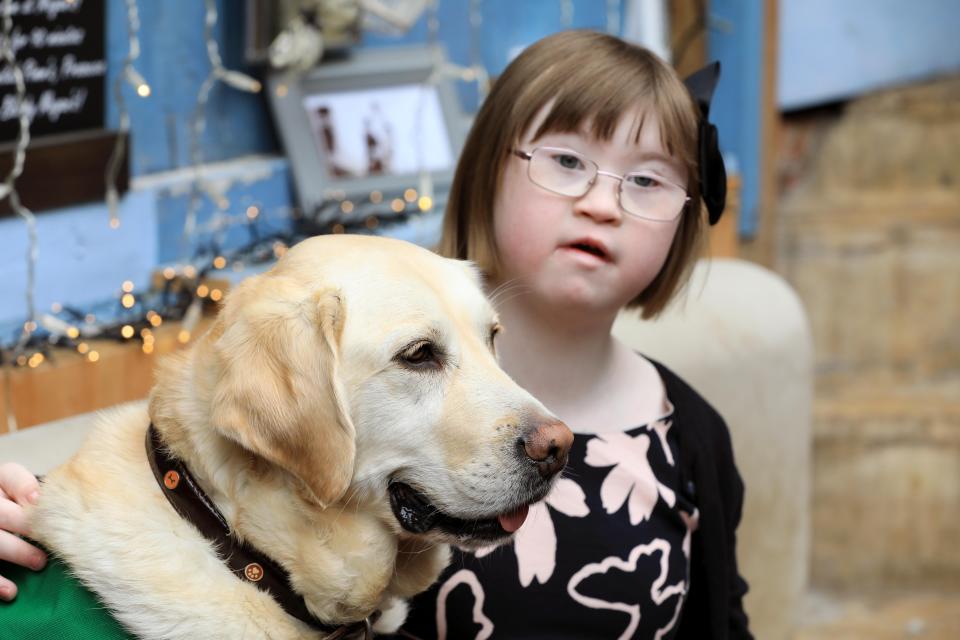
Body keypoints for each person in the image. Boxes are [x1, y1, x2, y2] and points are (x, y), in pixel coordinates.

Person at [0, 30, 751, 639]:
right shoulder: (272, 504)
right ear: (485, 176)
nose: (602, 203)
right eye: (564, 162)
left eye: (647, 181)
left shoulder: (691, 436)